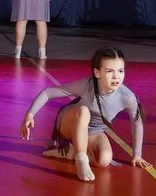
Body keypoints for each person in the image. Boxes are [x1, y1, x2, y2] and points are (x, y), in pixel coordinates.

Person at [19, 46, 149, 182]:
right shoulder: (87, 85)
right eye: (109, 71)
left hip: (94, 130)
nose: (116, 76)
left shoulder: (127, 97)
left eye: (120, 71)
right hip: (70, 124)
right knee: (84, 111)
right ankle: (81, 159)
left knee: (104, 160)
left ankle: (71, 152)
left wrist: (137, 155)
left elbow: (137, 124)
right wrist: (30, 114)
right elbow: (48, 93)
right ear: (97, 73)